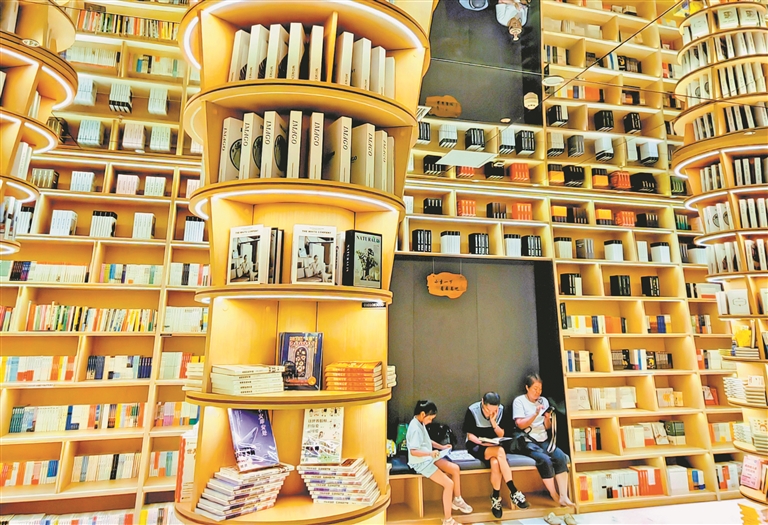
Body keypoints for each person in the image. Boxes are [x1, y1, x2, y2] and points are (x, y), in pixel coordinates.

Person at [463, 392, 530, 518]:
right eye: (488, 410)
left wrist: (494, 423)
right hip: (477, 445)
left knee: (495, 462)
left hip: (494, 444)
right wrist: (482, 443)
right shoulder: (473, 410)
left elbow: (502, 434)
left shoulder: (501, 411)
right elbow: (470, 436)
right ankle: (514, 491)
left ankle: (495, 498)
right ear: (483, 403)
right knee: (500, 452)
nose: (490, 413)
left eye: (494, 410)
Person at [513, 373, 574, 507]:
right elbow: (520, 424)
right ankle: (554, 494)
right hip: (528, 441)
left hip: (544, 439)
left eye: (540, 389)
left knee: (560, 457)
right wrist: (535, 414)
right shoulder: (519, 401)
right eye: (535, 389)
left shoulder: (543, 401)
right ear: (527, 388)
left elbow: (547, 427)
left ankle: (564, 496)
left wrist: (547, 418)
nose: (538, 392)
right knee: (545, 460)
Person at [407, 400, 473, 525]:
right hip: (421, 463)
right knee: (449, 484)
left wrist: (442, 447)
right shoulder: (415, 428)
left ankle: (457, 499)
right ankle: (448, 520)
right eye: (430, 418)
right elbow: (413, 451)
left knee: (455, 469)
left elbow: (427, 441)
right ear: (423, 414)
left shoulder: (419, 423)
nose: (431, 421)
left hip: (428, 458)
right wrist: (430, 454)